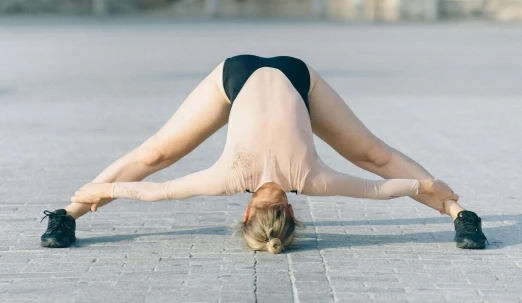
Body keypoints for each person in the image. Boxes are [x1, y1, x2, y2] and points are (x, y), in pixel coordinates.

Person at [41, 55, 487, 253]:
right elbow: (159, 191)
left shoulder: (313, 181)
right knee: (156, 155)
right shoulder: (227, 180)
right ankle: (68, 214)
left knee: (374, 155)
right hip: (242, 76)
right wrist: (102, 189)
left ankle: (460, 214)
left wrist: (432, 187)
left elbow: (380, 189)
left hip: (292, 77)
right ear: (245, 212)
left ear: (292, 213)